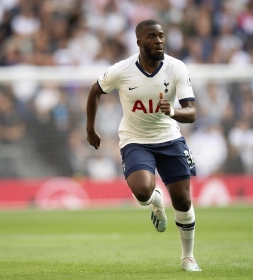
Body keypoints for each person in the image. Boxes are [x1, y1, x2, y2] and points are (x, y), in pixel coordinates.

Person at [86, 19, 201, 272]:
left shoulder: (176, 68)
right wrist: (90, 129)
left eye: (161, 36)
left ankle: (187, 257)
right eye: (152, 36)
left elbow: (192, 112)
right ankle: (156, 202)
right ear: (139, 42)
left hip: (169, 138)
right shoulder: (122, 70)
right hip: (135, 140)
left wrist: (172, 110)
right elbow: (95, 90)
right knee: (142, 191)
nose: (158, 40)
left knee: (182, 201)